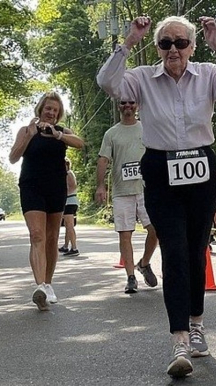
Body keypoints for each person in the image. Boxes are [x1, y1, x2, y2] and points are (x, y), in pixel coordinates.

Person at [97, 15, 216, 377]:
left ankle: (196, 323)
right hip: (160, 168)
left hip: (199, 166)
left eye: (181, 43)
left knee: (197, 251)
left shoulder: (209, 73)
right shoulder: (142, 79)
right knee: (175, 251)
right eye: (165, 43)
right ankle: (179, 337)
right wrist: (128, 42)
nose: (173, 50)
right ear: (157, 48)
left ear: (192, 47)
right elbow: (107, 82)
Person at [9, 91, 84, 311]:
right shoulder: (26, 130)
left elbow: (80, 143)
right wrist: (29, 135)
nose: (51, 112)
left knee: (52, 236)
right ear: (40, 109)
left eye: (55, 110)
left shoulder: (61, 132)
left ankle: (48, 284)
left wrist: (58, 135)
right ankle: (40, 286)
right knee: (37, 235)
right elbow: (13, 157)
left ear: (59, 113)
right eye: (48, 108)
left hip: (56, 187)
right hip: (31, 186)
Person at [95, 100, 159, 294]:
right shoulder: (112, 133)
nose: (127, 106)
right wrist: (100, 186)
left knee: (155, 229)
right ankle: (130, 277)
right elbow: (103, 159)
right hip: (121, 191)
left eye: (131, 102)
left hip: (146, 189)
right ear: (118, 106)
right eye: (123, 103)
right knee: (125, 234)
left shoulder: (147, 128)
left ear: (137, 106)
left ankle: (144, 263)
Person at [58, 158, 80, 257]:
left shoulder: (68, 173)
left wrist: (63, 195)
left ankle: (74, 248)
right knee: (67, 225)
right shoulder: (65, 174)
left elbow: (73, 186)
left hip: (69, 202)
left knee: (70, 225)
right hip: (68, 202)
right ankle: (66, 246)